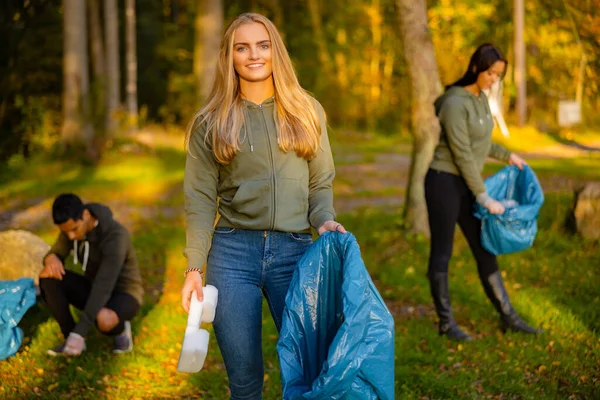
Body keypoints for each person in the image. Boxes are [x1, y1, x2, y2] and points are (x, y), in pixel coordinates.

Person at [180, 13, 346, 399]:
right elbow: (201, 200)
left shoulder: (306, 110)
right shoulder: (211, 122)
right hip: (233, 255)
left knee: (309, 367)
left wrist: (324, 221)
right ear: (230, 56)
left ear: (275, 51)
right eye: (242, 47)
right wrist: (194, 266)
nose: (253, 55)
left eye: (262, 45)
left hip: (295, 252)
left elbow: (320, 183)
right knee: (245, 378)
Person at [425, 43, 542, 341]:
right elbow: (462, 153)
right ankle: (446, 324)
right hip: (444, 183)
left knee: (485, 249)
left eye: (499, 75)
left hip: (465, 182)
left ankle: (508, 316)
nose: (494, 80)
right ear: (477, 67)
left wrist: (508, 155)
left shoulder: (478, 99)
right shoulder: (454, 103)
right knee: (443, 252)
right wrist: (484, 196)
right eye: (491, 73)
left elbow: (481, 142)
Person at [39, 193, 144, 355]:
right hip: (93, 285)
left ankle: (120, 328)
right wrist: (51, 258)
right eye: (66, 232)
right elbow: (57, 250)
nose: (71, 236)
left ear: (86, 215)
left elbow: (104, 285)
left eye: (74, 229)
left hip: (124, 292)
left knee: (104, 319)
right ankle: (70, 339)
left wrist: (80, 331)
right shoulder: (72, 227)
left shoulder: (116, 237)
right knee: (48, 277)